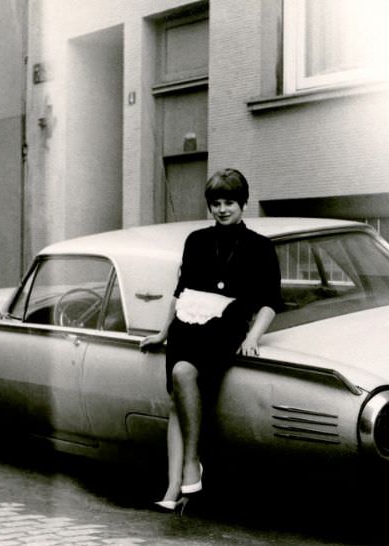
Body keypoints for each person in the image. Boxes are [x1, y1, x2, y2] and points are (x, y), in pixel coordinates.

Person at [140, 168, 282, 514]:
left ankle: (191, 464)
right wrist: (162, 332)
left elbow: (270, 302)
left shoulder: (259, 247)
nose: (222, 209)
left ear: (243, 204)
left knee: (183, 376)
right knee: (177, 395)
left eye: (229, 202)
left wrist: (252, 338)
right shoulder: (196, 240)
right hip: (187, 324)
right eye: (215, 203)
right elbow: (180, 292)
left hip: (225, 326)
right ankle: (175, 486)